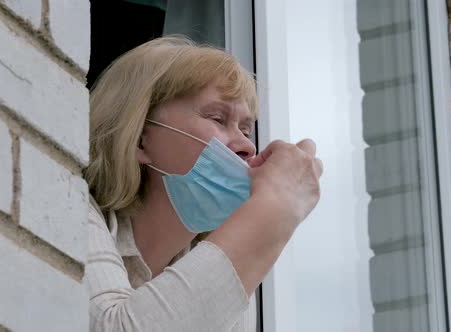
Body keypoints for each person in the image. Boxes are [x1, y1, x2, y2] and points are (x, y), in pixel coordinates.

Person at [84, 36, 323, 332]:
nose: (247, 146)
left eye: (246, 129)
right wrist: (274, 208)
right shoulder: (75, 213)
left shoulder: (226, 284)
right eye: (218, 118)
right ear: (139, 139)